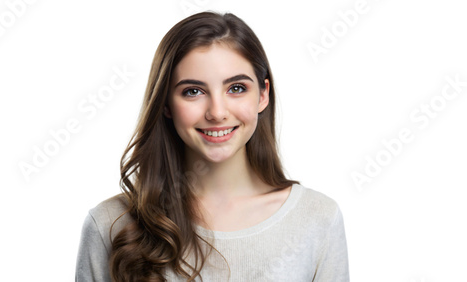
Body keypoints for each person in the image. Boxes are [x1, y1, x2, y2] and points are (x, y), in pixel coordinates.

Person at [75, 11, 349, 282]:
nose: (217, 112)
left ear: (263, 95)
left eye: (237, 88)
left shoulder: (318, 219)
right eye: (193, 91)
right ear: (166, 104)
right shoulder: (109, 225)